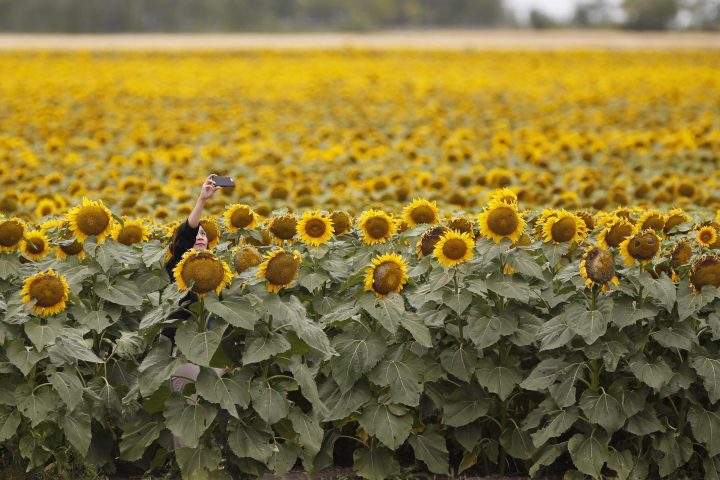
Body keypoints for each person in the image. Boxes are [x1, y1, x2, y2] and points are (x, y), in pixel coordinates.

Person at [164, 174, 226, 449]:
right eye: (196, 234)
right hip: (185, 346)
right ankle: (186, 461)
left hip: (213, 347)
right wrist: (202, 199)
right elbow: (185, 235)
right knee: (187, 405)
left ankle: (210, 461)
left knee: (211, 407)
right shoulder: (178, 269)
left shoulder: (217, 272)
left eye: (204, 235)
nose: (200, 237)